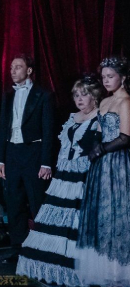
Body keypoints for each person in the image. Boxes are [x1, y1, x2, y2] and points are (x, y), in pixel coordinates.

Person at [16, 75, 101, 286]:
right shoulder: (72, 118)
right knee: (55, 221)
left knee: (78, 221)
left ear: (95, 96)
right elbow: (64, 149)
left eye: (84, 95)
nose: (79, 99)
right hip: (64, 177)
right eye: (76, 95)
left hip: (85, 177)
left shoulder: (100, 118)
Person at [0, 53, 55, 263]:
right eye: (11, 67)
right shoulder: (8, 95)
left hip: (34, 153)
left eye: (18, 67)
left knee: (37, 200)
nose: (13, 71)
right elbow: (2, 128)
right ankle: (18, 247)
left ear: (29, 70)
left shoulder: (43, 95)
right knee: (14, 202)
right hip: (12, 153)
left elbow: (48, 131)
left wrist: (46, 162)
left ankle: (43, 246)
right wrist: (0, 159)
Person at [75, 56, 130, 286]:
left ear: (122, 77)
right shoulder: (106, 101)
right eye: (104, 77)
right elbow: (99, 130)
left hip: (117, 162)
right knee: (101, 213)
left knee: (117, 212)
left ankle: (120, 270)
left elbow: (125, 137)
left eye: (111, 76)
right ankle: (103, 267)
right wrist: (95, 143)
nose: (106, 81)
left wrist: (102, 149)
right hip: (101, 165)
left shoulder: (125, 102)